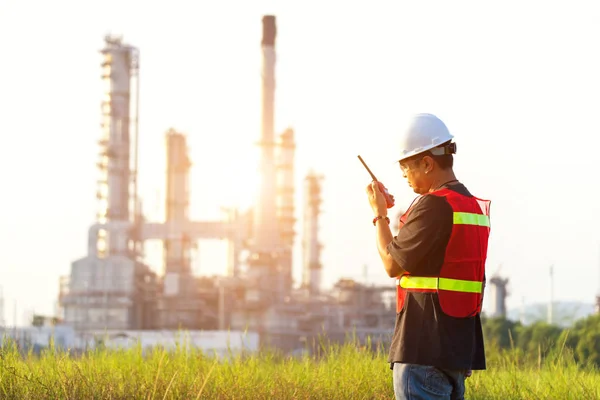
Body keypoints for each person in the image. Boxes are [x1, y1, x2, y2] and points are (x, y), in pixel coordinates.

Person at [365, 113, 491, 400]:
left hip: (422, 353)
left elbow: (391, 264)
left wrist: (380, 215)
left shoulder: (434, 206)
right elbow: (473, 283)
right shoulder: (473, 210)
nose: (406, 178)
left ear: (426, 162)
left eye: (407, 169)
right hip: (456, 355)